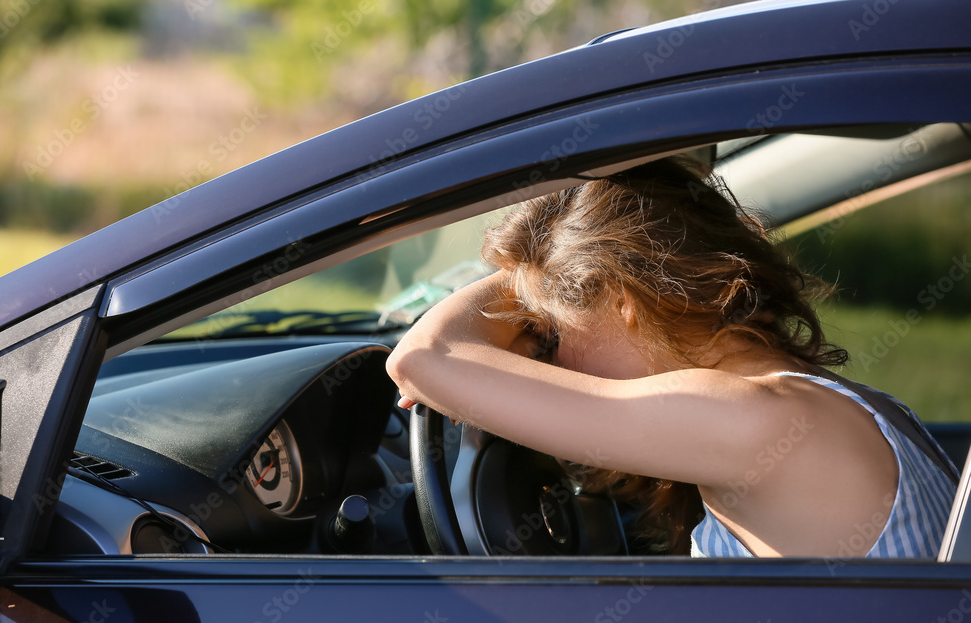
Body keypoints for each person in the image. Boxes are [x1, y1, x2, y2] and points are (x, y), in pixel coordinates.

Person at [385, 157, 957, 558]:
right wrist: (549, 270)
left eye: (553, 338)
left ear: (622, 299)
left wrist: (531, 272)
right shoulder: (826, 403)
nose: (556, 367)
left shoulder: (752, 418)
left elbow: (424, 357)